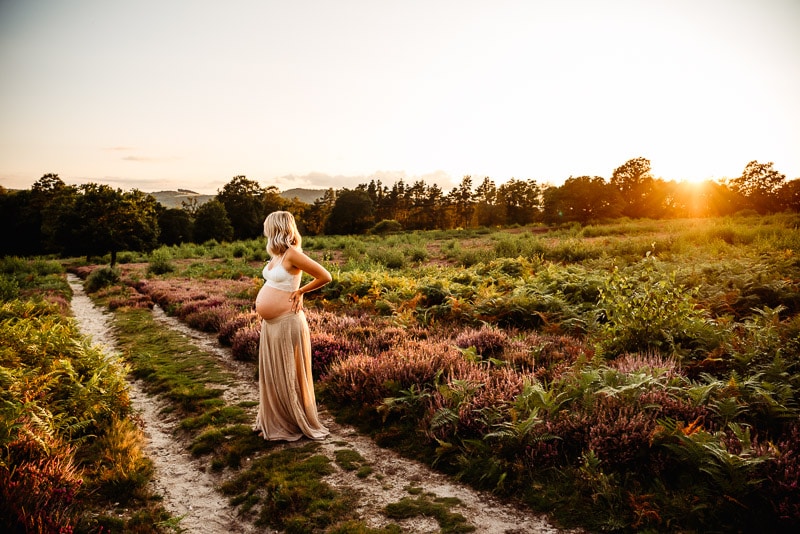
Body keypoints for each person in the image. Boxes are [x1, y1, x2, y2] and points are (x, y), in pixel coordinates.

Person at [253, 211, 331, 441]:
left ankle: (290, 422)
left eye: (268, 227)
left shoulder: (292, 254)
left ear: (277, 228)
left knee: (286, 373)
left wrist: (301, 291)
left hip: (287, 322)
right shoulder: (277, 255)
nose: (265, 231)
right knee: (274, 375)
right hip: (272, 324)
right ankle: (275, 419)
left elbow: (325, 276)